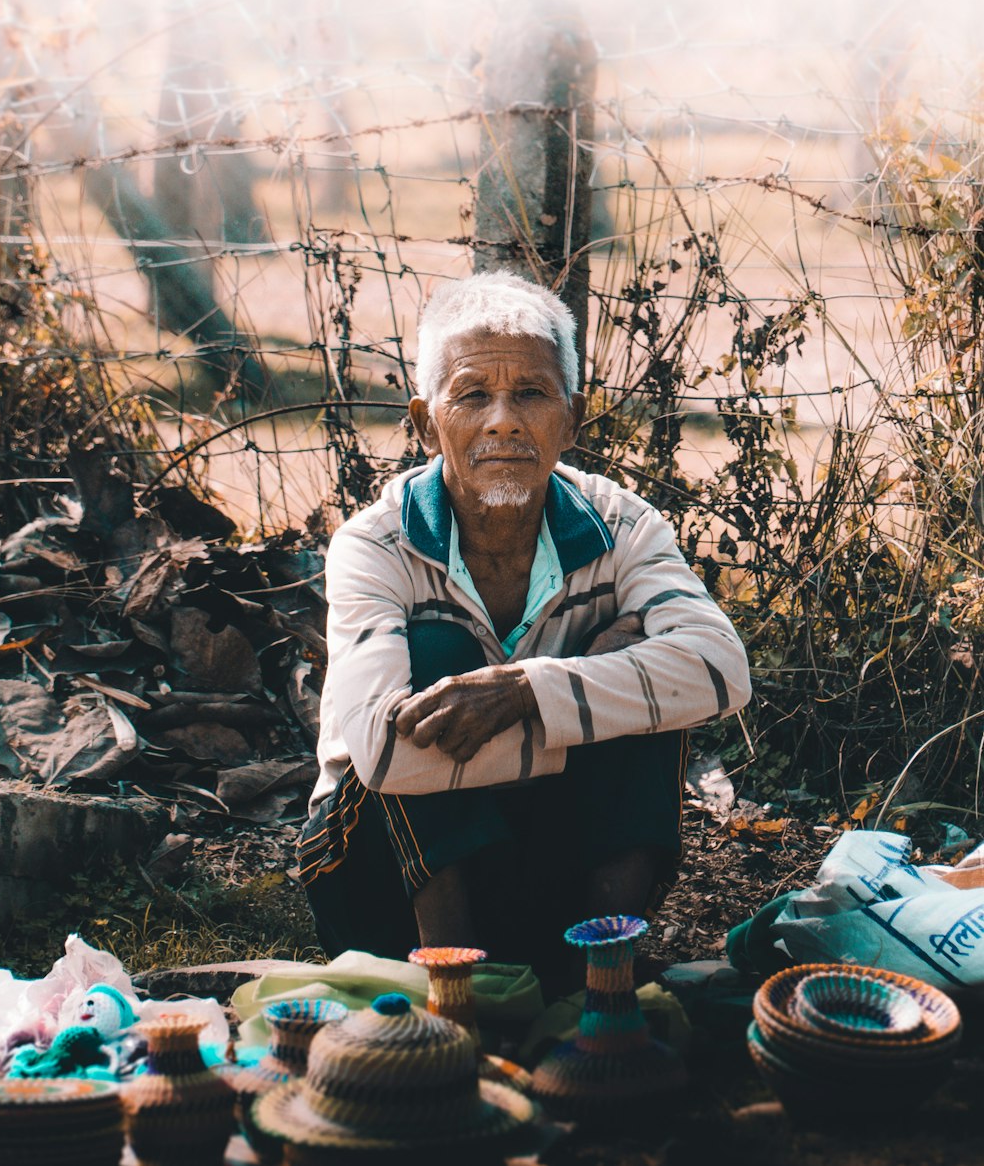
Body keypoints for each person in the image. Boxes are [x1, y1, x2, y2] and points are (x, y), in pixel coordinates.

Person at [297, 270, 751, 985]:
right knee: (441, 657)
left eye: (531, 394)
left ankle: (598, 982)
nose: (503, 419)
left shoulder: (623, 525)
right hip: (382, 887)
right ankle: (457, 991)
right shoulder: (375, 544)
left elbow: (722, 669)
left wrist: (531, 690)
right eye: (473, 395)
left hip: (548, 873)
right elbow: (383, 753)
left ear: (570, 419)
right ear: (424, 423)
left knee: (647, 693)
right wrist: (594, 703)